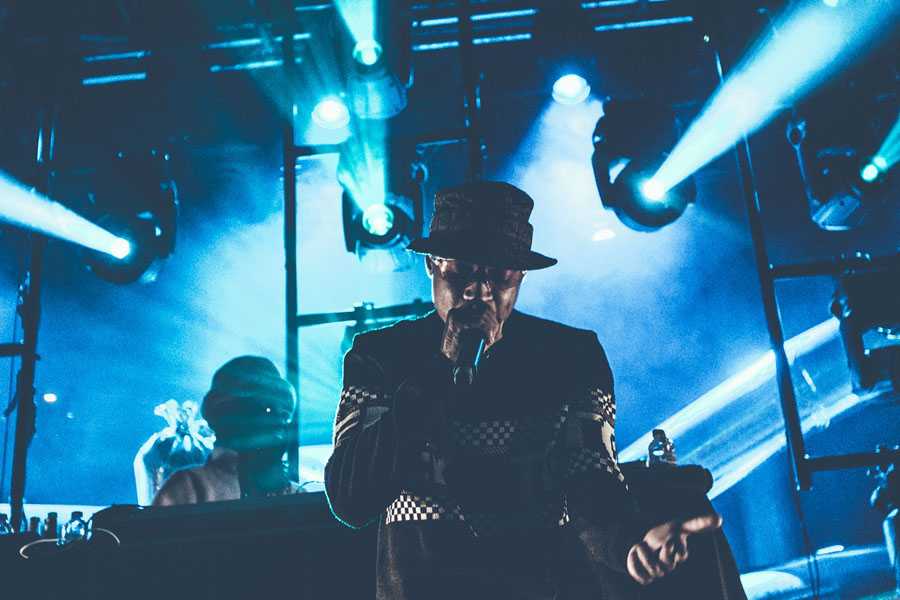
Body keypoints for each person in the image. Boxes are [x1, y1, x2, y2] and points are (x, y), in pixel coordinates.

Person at [324, 181, 722, 599]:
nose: (479, 289)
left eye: (500, 274)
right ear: (432, 265)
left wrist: (631, 543)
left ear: (521, 276)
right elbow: (350, 498)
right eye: (462, 269)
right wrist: (442, 367)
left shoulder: (569, 356)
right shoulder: (381, 357)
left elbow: (590, 477)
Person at [153, 355, 301, 505]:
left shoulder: (296, 495)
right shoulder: (188, 488)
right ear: (230, 414)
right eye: (266, 409)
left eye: (284, 415)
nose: (278, 423)